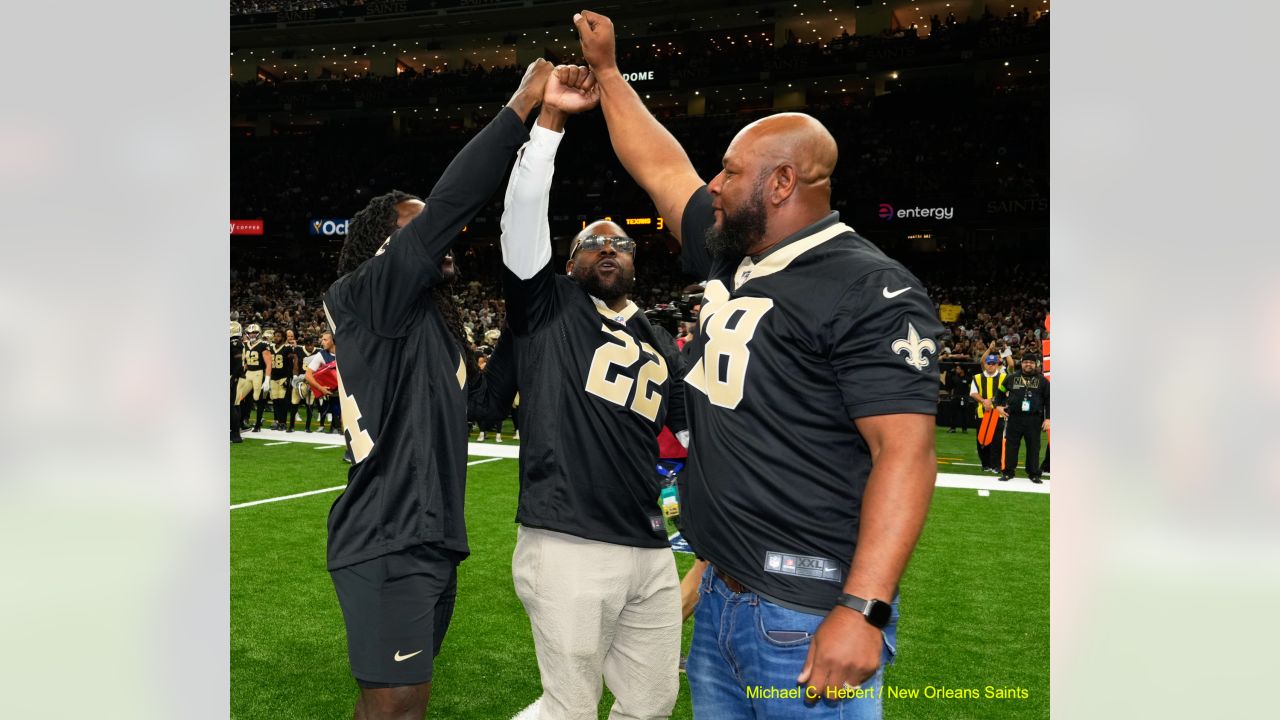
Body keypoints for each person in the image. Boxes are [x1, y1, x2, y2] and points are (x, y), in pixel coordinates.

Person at [574, 11, 942, 718]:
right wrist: (611, 74)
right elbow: (661, 167)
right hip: (722, 594)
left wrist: (863, 608)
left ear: (780, 184)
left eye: (732, 172)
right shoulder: (732, 257)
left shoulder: (868, 285)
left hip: (802, 610)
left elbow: (906, 451)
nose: (713, 183)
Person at [321, 59, 552, 720]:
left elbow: (481, 407)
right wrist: (521, 106)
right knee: (395, 704)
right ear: (383, 248)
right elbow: (455, 201)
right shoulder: (371, 294)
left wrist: (520, 323)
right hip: (388, 531)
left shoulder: (429, 324)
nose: (444, 236)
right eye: (420, 228)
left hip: (429, 536)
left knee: (402, 702)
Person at [486, 63, 687, 720]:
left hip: (649, 544)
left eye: (621, 243)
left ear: (637, 262)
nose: (608, 248)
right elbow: (520, 214)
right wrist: (549, 123)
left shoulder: (659, 336)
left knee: (652, 705)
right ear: (567, 263)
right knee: (568, 709)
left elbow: (684, 436)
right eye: (592, 243)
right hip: (569, 538)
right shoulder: (548, 307)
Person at [996, 352, 1050, 483]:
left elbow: (1049, 400)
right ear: (1022, 362)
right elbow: (1000, 392)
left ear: (1035, 364)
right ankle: (1008, 472)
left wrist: (1048, 418)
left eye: (1031, 362)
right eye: (1026, 362)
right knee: (1011, 446)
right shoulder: (1011, 377)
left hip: (1034, 419)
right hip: (1014, 417)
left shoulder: (1042, 380)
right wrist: (998, 406)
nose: (1028, 364)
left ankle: (1034, 474)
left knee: (1034, 447)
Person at [969, 353, 1007, 473]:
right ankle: (985, 464)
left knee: (997, 440)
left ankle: (996, 465)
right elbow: (973, 393)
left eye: (993, 364)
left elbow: (1007, 393)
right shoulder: (977, 377)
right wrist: (983, 401)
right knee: (982, 439)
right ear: (984, 364)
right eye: (988, 363)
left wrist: (990, 401)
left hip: (998, 413)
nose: (990, 366)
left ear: (997, 365)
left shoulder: (1004, 377)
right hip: (982, 413)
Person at [236, 323, 271, 432]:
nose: (252, 335)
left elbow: (269, 364)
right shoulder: (245, 345)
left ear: (258, 333)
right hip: (248, 373)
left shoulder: (263, 345)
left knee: (258, 399)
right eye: (250, 333)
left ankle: (257, 424)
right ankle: (240, 422)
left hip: (258, 373)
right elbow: (245, 363)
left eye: (254, 332)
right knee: (239, 397)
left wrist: (267, 379)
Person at [230, 321, 245, 444]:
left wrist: (233, 377)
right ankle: (234, 431)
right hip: (236, 376)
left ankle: (235, 434)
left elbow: (238, 364)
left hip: (235, 377)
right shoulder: (235, 343)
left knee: (232, 405)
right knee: (234, 405)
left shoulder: (235, 343)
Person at [944, 364, 970, 433]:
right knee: (953, 413)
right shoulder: (954, 378)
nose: (957, 370)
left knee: (964, 414)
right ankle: (953, 428)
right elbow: (949, 387)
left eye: (958, 368)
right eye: (956, 368)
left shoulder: (968, 378)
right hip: (955, 397)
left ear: (962, 370)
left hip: (964, 398)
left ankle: (964, 429)